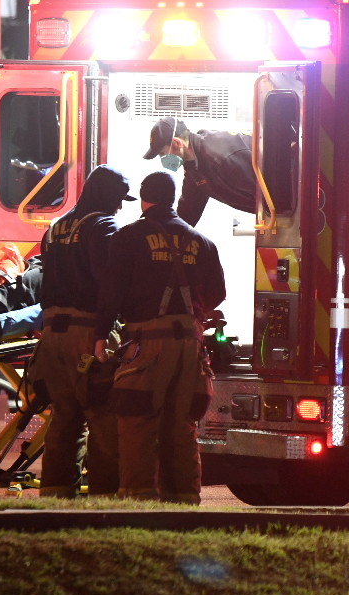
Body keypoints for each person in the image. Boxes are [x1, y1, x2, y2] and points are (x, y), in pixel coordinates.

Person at [94, 171, 226, 504]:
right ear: (171, 199)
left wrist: (100, 335)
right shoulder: (202, 241)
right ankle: (183, 499)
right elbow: (218, 293)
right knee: (182, 422)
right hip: (191, 346)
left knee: (137, 419)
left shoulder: (128, 237)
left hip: (148, 342)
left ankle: (138, 499)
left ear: (144, 198)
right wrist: (191, 317)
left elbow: (112, 291)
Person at [28, 164, 135, 498]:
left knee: (64, 417)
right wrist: (114, 330)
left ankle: (56, 499)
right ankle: (105, 500)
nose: (120, 205)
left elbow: (43, 285)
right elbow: (111, 285)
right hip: (88, 336)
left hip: (55, 336)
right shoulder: (103, 227)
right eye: (119, 197)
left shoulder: (57, 227)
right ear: (104, 193)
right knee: (104, 419)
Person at [143, 116, 256, 226]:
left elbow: (267, 191)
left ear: (177, 143)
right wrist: (168, 235)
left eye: (162, 153)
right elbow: (187, 212)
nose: (162, 159)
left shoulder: (220, 155)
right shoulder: (194, 167)